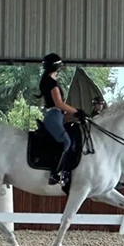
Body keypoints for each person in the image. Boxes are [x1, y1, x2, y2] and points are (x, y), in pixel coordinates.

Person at [37, 53, 86, 185]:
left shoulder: (48, 81)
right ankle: (55, 173)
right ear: (58, 68)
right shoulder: (52, 84)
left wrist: (72, 115)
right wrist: (77, 111)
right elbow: (59, 104)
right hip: (54, 116)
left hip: (57, 116)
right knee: (66, 142)